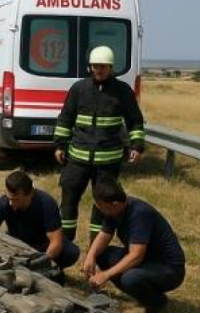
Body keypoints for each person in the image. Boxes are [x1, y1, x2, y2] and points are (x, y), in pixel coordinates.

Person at [53, 45, 146, 242]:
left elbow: (135, 121)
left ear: (111, 67)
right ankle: (65, 245)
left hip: (108, 162)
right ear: (90, 67)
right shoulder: (79, 89)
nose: (99, 70)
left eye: (103, 66)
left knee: (102, 206)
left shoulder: (122, 91)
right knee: (68, 202)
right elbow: (65, 119)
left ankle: (95, 250)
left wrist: (137, 145)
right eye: (95, 66)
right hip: (77, 159)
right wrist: (60, 145)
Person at [81, 179, 186, 313]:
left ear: (115, 204)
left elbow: (136, 256)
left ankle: (157, 302)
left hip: (168, 268)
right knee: (101, 254)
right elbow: (104, 235)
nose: (99, 209)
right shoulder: (113, 211)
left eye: (101, 206)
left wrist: (105, 275)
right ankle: (139, 294)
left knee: (130, 279)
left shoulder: (139, 213)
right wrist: (90, 256)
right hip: (146, 260)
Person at [0, 170, 80, 273]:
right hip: (16, 243)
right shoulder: (4, 203)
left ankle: (51, 270)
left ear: (30, 194)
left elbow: (56, 242)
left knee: (71, 252)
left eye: (15, 199)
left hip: (43, 245)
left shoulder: (46, 204)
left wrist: (42, 262)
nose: (10, 203)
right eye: (9, 198)